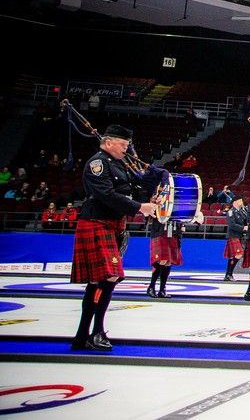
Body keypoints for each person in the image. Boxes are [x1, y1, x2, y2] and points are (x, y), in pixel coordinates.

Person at [70, 125, 160, 351]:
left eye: (127, 145)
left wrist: (150, 195)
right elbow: (106, 194)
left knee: (101, 280)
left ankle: (84, 335)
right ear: (108, 142)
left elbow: (130, 190)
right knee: (108, 276)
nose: (126, 149)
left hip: (113, 224)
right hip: (96, 222)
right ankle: (95, 332)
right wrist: (139, 207)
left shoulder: (120, 164)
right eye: (123, 145)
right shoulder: (97, 164)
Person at [146, 216, 182, 298]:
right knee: (163, 260)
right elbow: (148, 216)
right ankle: (151, 287)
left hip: (174, 231)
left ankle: (162, 290)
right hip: (160, 231)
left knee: (168, 261)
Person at [223, 198, 246, 281]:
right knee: (238, 254)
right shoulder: (231, 212)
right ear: (235, 202)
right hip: (233, 235)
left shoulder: (241, 211)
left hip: (240, 236)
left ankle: (228, 275)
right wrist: (243, 228)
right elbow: (232, 225)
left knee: (234, 256)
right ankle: (228, 274)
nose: (241, 202)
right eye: (240, 200)